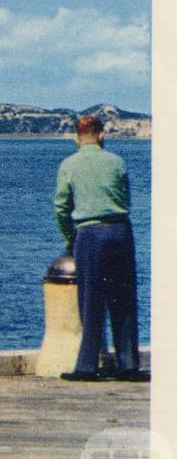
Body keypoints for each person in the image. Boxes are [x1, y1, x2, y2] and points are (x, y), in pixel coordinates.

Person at [53, 116, 145, 382]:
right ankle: (128, 364)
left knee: (91, 299)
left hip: (89, 233)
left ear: (76, 138)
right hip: (120, 229)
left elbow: (61, 208)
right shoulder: (117, 162)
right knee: (124, 298)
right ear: (102, 135)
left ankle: (87, 366)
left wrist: (70, 236)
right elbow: (125, 196)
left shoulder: (69, 165)